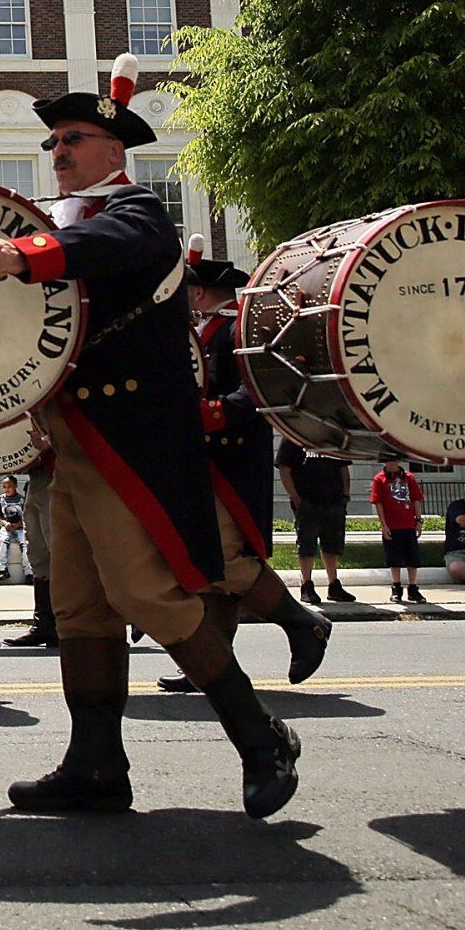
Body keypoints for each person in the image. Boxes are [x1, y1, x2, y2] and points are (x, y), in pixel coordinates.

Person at [0, 54, 300, 819]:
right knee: (81, 608)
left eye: (74, 139)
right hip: (69, 440)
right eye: (53, 142)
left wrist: (25, 254)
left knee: (147, 593)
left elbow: (106, 251)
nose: (58, 152)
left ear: (115, 152)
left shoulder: (137, 212)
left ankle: (261, 737)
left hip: (128, 442)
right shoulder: (56, 222)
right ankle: (96, 766)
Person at [158, 239, 330, 693]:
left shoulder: (238, 332)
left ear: (197, 294)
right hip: (207, 460)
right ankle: (213, 663)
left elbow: (259, 389)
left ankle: (302, 622)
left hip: (230, 461)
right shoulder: (204, 332)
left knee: (222, 559)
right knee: (213, 572)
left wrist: (211, 414)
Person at [277, 438, 355, 604]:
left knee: (333, 544)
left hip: (333, 500)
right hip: (307, 501)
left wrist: (345, 495)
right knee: (307, 544)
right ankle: (306, 585)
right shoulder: (292, 437)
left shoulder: (331, 437)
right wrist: (296, 498)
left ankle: (334, 585)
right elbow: (284, 470)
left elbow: (343, 468)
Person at [3, 459, 58, 648]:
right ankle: (45, 624)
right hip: (37, 476)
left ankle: (67, 624)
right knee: (38, 555)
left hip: (59, 471)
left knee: (61, 552)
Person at [371, 459, 426, 604]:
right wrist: (383, 525)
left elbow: (416, 499)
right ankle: (396, 587)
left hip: (408, 524)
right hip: (392, 525)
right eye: (388, 461)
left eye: (394, 460)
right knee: (394, 558)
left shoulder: (409, 478)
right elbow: (378, 503)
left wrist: (418, 521)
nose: (391, 464)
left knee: (412, 558)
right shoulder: (379, 479)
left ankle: (413, 588)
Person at [0, 477, 24, 583]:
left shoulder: (22, 500)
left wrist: (18, 524)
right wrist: (5, 523)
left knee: (25, 544)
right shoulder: (0, 499)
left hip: (20, 527)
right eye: (4, 487)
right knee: (3, 541)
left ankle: (29, 572)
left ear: (15, 486)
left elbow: (27, 515)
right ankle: (3, 570)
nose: (7, 489)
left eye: (9, 486)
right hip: (6, 527)